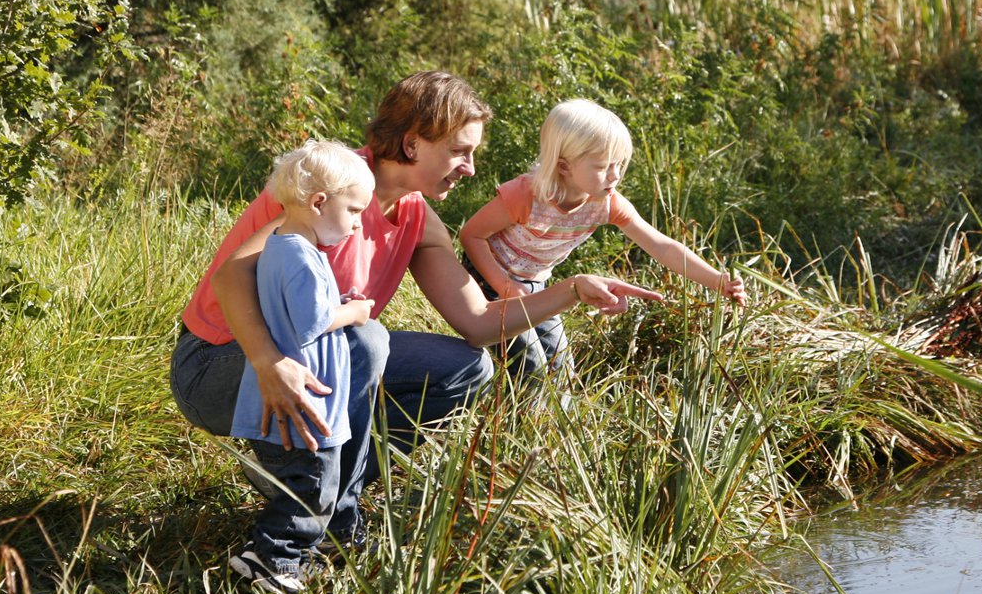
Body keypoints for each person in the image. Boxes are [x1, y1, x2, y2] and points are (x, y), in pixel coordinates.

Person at [169, 72, 661, 555]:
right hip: (220, 363)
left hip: (319, 362)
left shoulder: (417, 218)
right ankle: (308, 504)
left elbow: (479, 322)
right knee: (366, 341)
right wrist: (267, 361)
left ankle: (308, 478)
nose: (469, 168)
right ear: (412, 145)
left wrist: (573, 289)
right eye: (459, 151)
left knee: (469, 368)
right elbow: (231, 277)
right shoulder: (325, 181)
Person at [458, 98, 747, 376]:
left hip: (535, 283)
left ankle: (550, 423)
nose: (615, 175)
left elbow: (663, 246)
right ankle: (507, 416)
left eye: (619, 164)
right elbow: (471, 235)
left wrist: (717, 281)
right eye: (602, 167)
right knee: (530, 363)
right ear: (564, 166)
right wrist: (505, 286)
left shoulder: (606, 203)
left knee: (560, 367)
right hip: (488, 277)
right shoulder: (526, 196)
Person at [226, 140, 376, 594]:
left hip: (300, 400)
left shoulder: (282, 245)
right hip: (307, 404)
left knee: (305, 480)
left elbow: (298, 310)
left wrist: (339, 302)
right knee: (312, 486)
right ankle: (271, 559)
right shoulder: (300, 255)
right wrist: (354, 313)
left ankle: (287, 558)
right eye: (353, 211)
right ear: (318, 203)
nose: (357, 223)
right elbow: (312, 322)